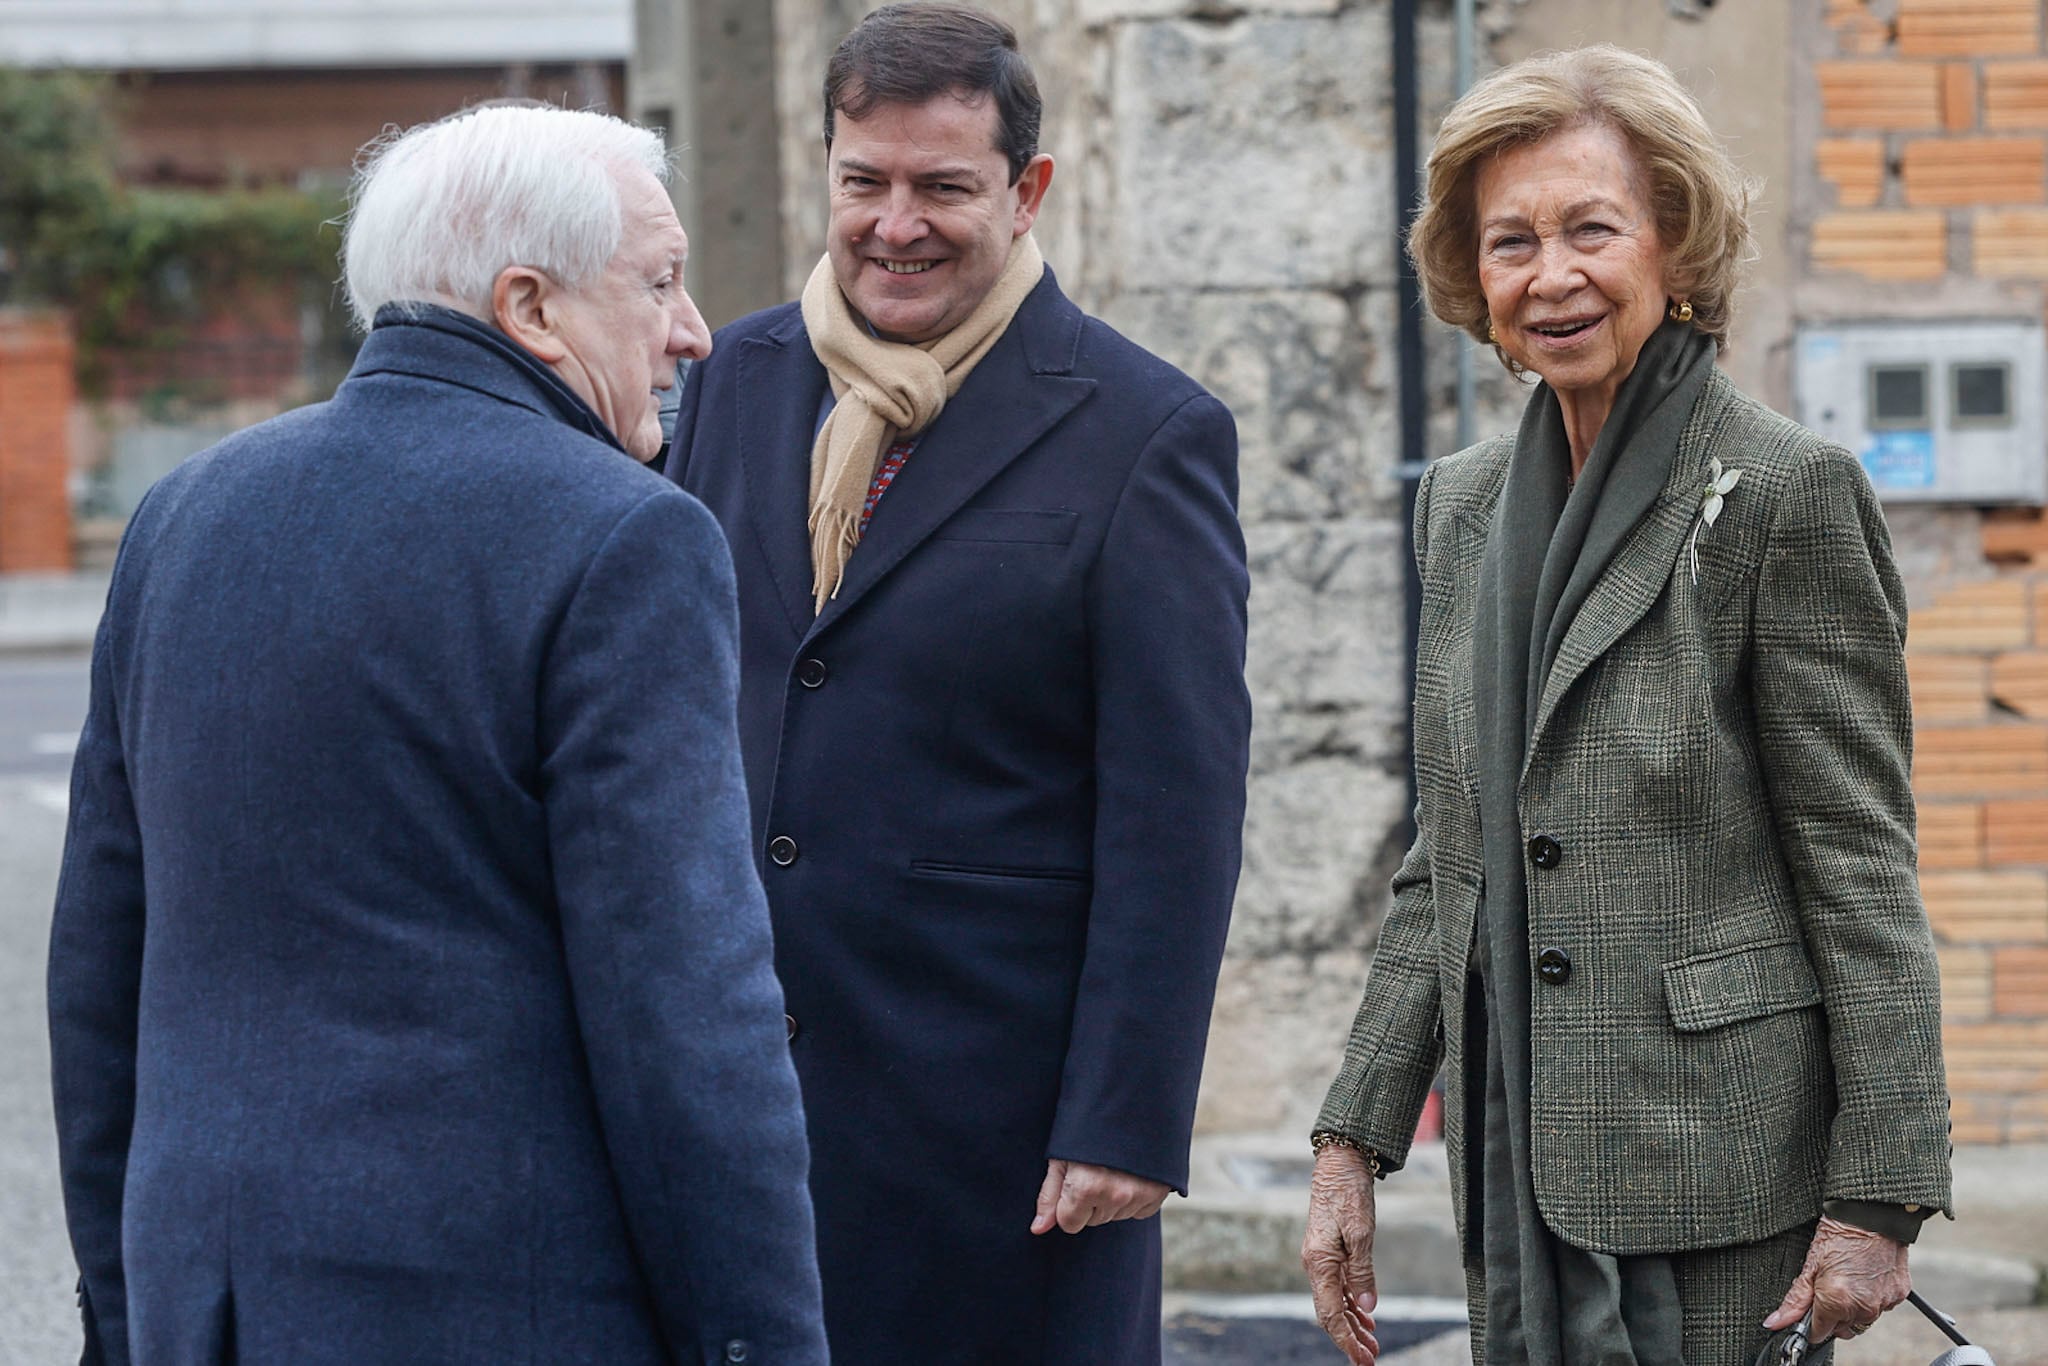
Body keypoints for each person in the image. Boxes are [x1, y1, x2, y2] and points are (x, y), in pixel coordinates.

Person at [47, 104, 829, 1366]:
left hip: (209, 1305)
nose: (693, 330)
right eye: (660, 283)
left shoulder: (184, 516)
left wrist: (130, 1311)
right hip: (498, 1311)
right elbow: (685, 1017)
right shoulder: (627, 536)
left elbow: (98, 966)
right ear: (529, 307)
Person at [1303, 46, 1951, 1366]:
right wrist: (1349, 1139)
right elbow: (1449, 857)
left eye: (1591, 228)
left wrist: (1881, 1194)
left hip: (1724, 1172)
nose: (1550, 274)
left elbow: (1861, 860)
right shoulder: (1466, 504)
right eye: (1510, 241)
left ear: (1675, 242)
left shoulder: (1786, 492)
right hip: (1520, 1147)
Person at [664, 4, 1251, 1360]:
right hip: (742, 1093)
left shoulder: (1144, 431)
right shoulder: (728, 385)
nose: (894, 223)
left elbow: (1176, 807)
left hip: (1000, 1121)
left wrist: (1127, 1113)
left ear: (1025, 190)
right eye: (863, 182)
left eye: (943, 188)